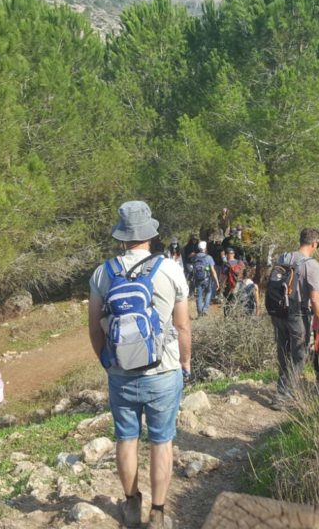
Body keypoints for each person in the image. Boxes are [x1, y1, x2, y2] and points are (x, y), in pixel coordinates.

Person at [88, 200, 191, 529]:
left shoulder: (102, 273)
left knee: (126, 439)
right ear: (151, 233)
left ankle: (132, 506)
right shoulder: (171, 269)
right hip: (164, 371)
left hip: (121, 373)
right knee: (161, 442)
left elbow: (93, 327)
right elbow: (183, 326)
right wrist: (185, 362)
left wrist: (108, 362)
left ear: (122, 236)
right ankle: (158, 513)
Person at [268, 228, 319, 408]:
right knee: (300, 355)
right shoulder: (312, 265)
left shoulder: (283, 258)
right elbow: (315, 298)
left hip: (277, 312)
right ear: (314, 244)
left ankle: (283, 388)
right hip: (297, 314)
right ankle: (283, 395)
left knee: (283, 352)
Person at [190, 240, 219, 317]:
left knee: (199, 295)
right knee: (209, 292)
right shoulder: (209, 257)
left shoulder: (194, 257)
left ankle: (200, 312)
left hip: (197, 279)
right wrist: (217, 281)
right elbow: (213, 271)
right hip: (207, 279)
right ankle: (204, 309)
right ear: (205, 248)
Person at [222, 248, 246, 313]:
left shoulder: (227, 264)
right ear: (234, 254)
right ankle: (237, 315)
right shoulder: (240, 262)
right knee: (238, 300)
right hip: (240, 284)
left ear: (227, 255)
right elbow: (245, 272)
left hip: (230, 285)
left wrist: (221, 285)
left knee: (228, 301)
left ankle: (228, 316)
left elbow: (223, 275)